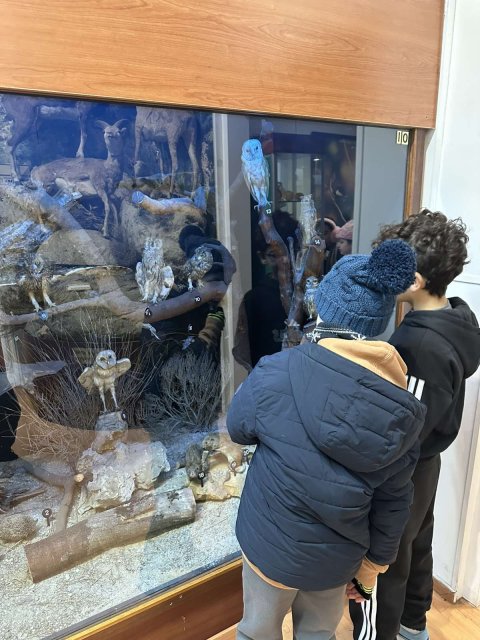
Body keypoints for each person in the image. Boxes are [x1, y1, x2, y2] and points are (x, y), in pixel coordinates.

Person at [227, 239, 427, 640]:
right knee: (320, 634)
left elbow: (238, 428)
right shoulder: (401, 412)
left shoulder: (275, 371)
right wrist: (369, 572)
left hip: (269, 545)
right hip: (335, 563)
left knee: (256, 632)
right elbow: (394, 503)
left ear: (324, 311)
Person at [349, 210, 480, 640]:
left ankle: (379, 633)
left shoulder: (418, 343)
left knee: (383, 562)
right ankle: (413, 624)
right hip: (426, 464)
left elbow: (404, 429)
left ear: (416, 281)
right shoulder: (459, 318)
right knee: (418, 543)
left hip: (402, 469)